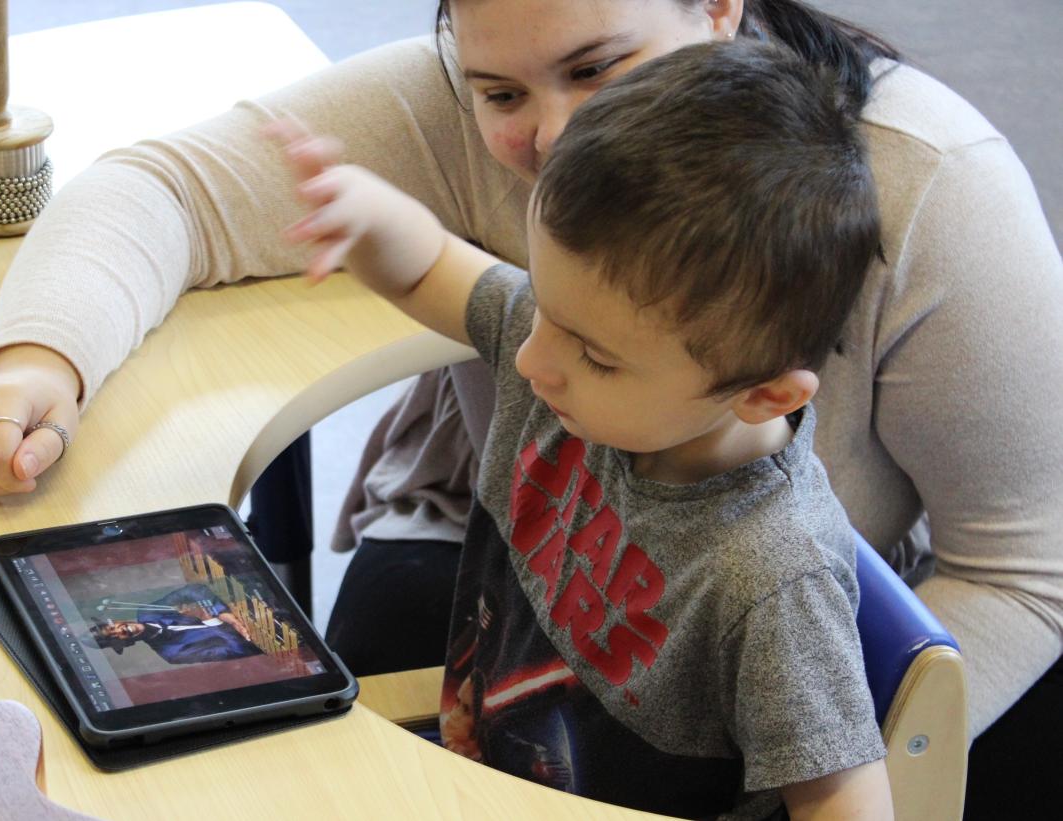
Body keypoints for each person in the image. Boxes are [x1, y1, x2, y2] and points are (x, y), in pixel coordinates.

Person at [0, 1, 1063, 811]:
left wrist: (900, 747)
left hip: (683, 736)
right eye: (498, 92)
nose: (547, 137)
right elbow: (415, 265)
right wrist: (33, 367)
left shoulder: (778, 572)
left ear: (718, 11)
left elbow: (1001, 598)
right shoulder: (546, 322)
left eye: (596, 69)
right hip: (525, 667)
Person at [270, 37, 890, 819]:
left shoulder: (771, 580)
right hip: (487, 771)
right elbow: (430, 265)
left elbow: (844, 798)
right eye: (547, 310)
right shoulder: (576, 355)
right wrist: (361, 213)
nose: (531, 357)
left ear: (764, 395)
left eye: (592, 354)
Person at [88, 583, 261, 664]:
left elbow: (193, 590)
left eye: (112, 627)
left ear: (116, 621)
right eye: (115, 637)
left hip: (249, 606)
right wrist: (210, 620)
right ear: (126, 643)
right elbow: (240, 651)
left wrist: (221, 613)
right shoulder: (173, 653)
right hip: (262, 636)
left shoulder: (148, 612)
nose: (120, 630)